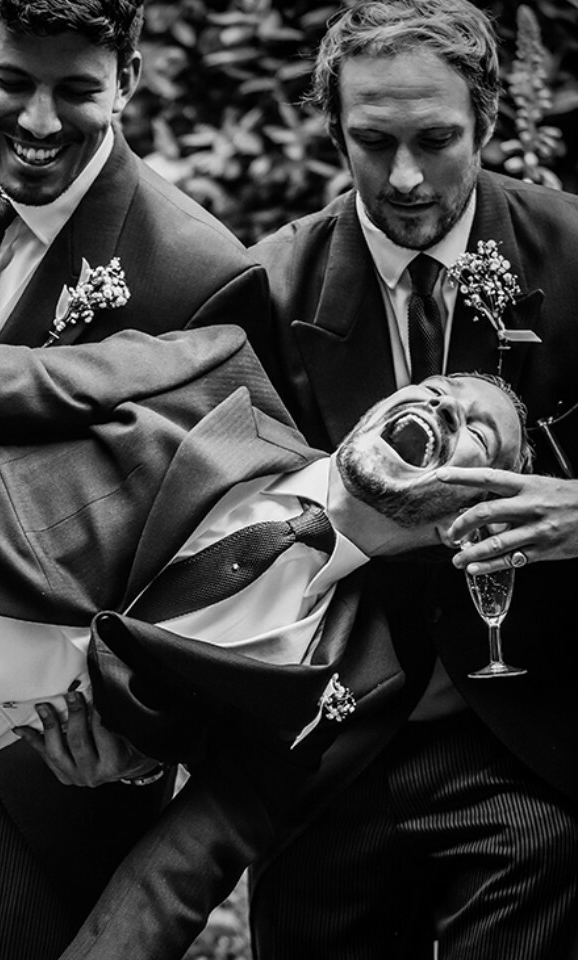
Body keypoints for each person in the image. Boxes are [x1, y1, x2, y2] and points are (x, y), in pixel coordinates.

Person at [0, 329, 527, 960]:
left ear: (467, 525)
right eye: (435, 387)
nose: (443, 406)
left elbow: (186, 860)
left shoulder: (349, 673)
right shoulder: (216, 373)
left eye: (479, 433)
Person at [0, 0, 271, 956]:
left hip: (28, 776)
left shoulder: (199, 274)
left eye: (76, 91)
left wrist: (141, 741)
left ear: (128, 80)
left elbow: (226, 537)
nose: (38, 121)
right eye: (12, 81)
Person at [247, 1, 578, 957]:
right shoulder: (264, 286)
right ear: (334, 129)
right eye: (373, 142)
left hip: (538, 748)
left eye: (435, 141)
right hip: (332, 751)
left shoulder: (576, 253)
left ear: (487, 119)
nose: (403, 178)